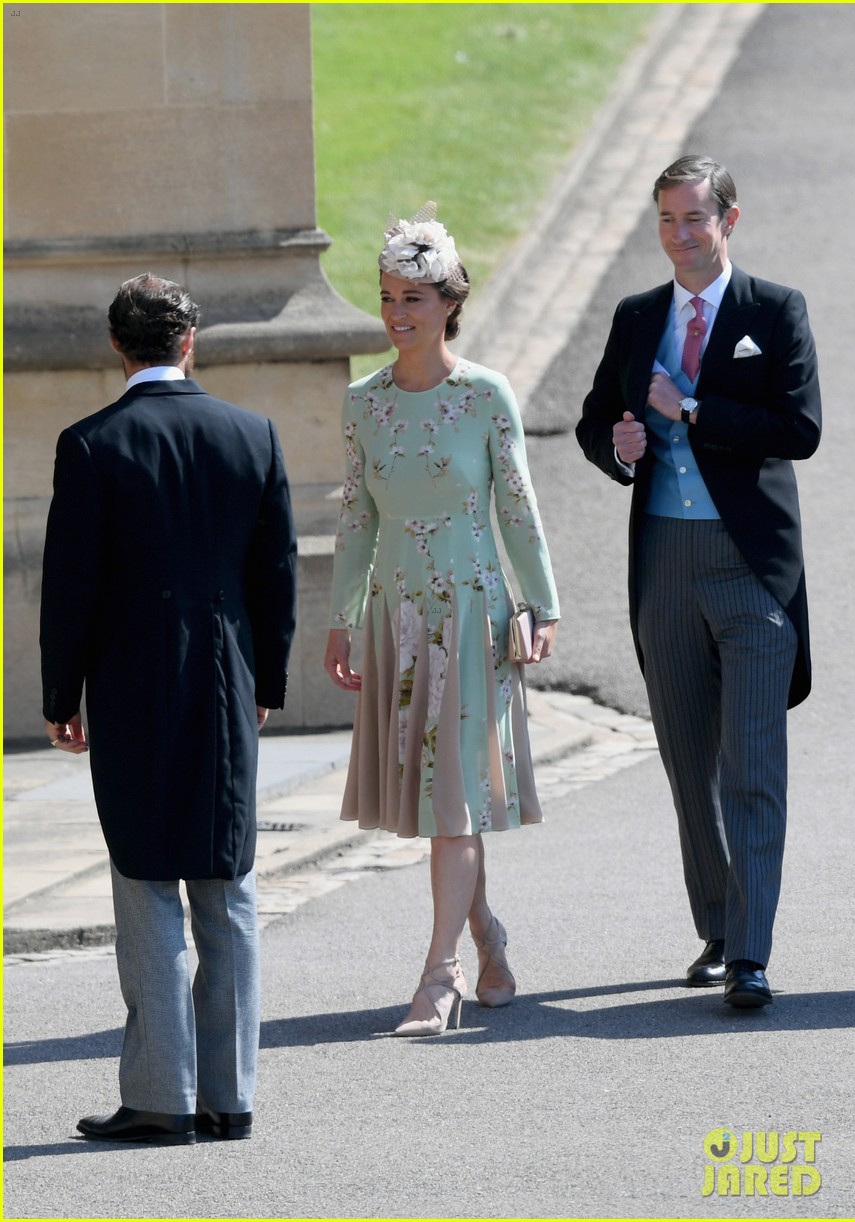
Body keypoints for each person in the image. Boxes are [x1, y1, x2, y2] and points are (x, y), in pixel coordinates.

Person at [40, 273, 296, 1142]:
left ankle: (162, 1096)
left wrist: (58, 696)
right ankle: (230, 1097)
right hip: (226, 677)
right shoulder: (251, 434)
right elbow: (277, 574)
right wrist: (268, 683)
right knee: (227, 882)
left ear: (117, 346)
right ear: (192, 340)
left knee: (146, 881)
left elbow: (70, 587)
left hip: (131, 683)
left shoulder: (90, 444)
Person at [576, 156, 821, 1007]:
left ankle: (751, 954)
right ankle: (718, 928)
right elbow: (594, 419)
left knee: (751, 762)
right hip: (665, 566)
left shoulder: (773, 310)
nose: (681, 236)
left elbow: (800, 428)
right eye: (668, 221)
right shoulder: (638, 314)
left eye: (695, 219)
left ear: (729, 220)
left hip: (752, 568)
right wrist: (621, 446)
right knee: (688, 762)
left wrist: (692, 413)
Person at [324, 203, 559, 1035]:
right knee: (441, 798)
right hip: (397, 619)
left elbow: (519, 509)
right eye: (388, 298)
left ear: (448, 304)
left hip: (474, 619)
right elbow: (358, 516)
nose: (396, 316)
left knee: (452, 802)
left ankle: (440, 976)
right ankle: (489, 939)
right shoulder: (362, 401)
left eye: (413, 300)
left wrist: (541, 604)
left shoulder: (486, 394)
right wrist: (343, 616)